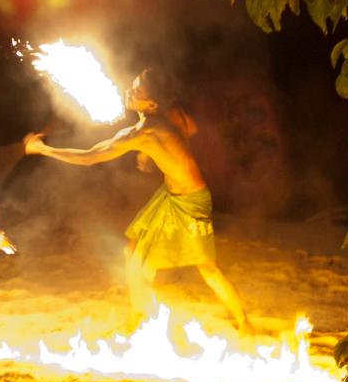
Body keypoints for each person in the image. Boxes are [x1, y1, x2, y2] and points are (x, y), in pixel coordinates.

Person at [24, 69, 253, 333]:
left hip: (191, 202)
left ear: (152, 103)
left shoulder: (143, 132)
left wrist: (43, 149)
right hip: (171, 196)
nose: (129, 92)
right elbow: (190, 128)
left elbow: (89, 157)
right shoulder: (171, 114)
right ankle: (137, 319)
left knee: (208, 268)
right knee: (133, 254)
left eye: (137, 90)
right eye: (132, 86)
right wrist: (159, 151)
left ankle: (244, 323)